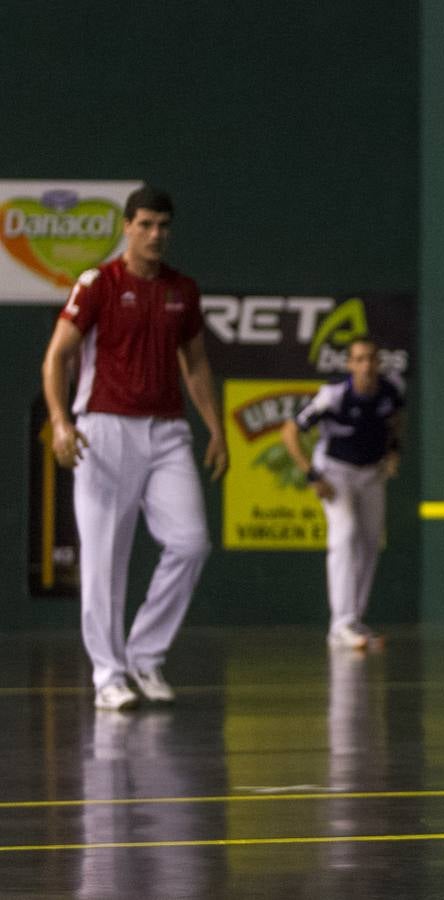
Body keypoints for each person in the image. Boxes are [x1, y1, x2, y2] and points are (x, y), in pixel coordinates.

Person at [41, 185, 227, 711]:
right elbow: (56, 357)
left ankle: (145, 655)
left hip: (168, 432)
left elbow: (195, 363)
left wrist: (216, 428)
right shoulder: (98, 283)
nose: (155, 235)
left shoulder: (182, 290)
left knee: (191, 543)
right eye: (145, 225)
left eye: (163, 226)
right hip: (104, 430)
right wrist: (60, 423)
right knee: (103, 560)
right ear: (126, 227)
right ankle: (108, 674)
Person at [281, 336, 404, 651]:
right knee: (345, 534)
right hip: (335, 473)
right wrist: (312, 474)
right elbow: (290, 431)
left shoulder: (392, 391)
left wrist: (393, 451)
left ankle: (355, 622)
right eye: (359, 359)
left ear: (378, 363)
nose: (366, 365)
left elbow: (395, 421)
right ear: (350, 364)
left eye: (372, 359)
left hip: (372, 472)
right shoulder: (333, 395)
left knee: (370, 540)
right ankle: (340, 626)